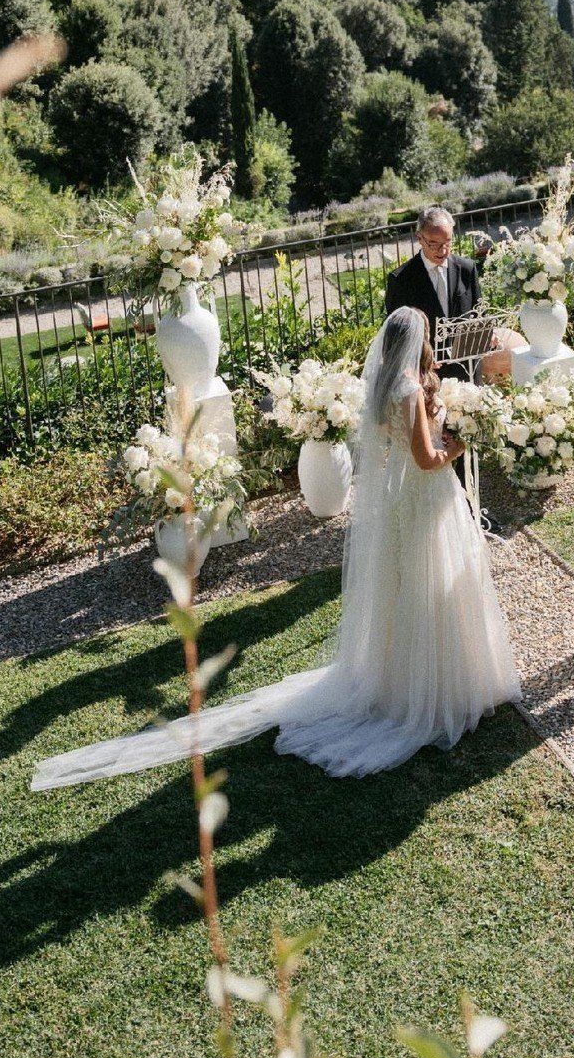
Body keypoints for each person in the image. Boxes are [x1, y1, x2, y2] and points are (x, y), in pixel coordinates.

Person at [31, 307, 521, 788]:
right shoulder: (411, 390)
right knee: (432, 582)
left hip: (399, 502)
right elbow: (427, 458)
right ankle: (437, 689)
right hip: (423, 496)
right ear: (416, 342)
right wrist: (459, 443)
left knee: (406, 587)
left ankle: (400, 680)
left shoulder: (383, 386)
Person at [383, 206, 481, 382]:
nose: (442, 251)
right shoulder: (401, 280)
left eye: (448, 242)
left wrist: (488, 335)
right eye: (434, 244)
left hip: (468, 371)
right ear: (419, 238)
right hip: (426, 376)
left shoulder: (467, 269)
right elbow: (396, 337)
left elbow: (478, 316)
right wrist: (422, 360)